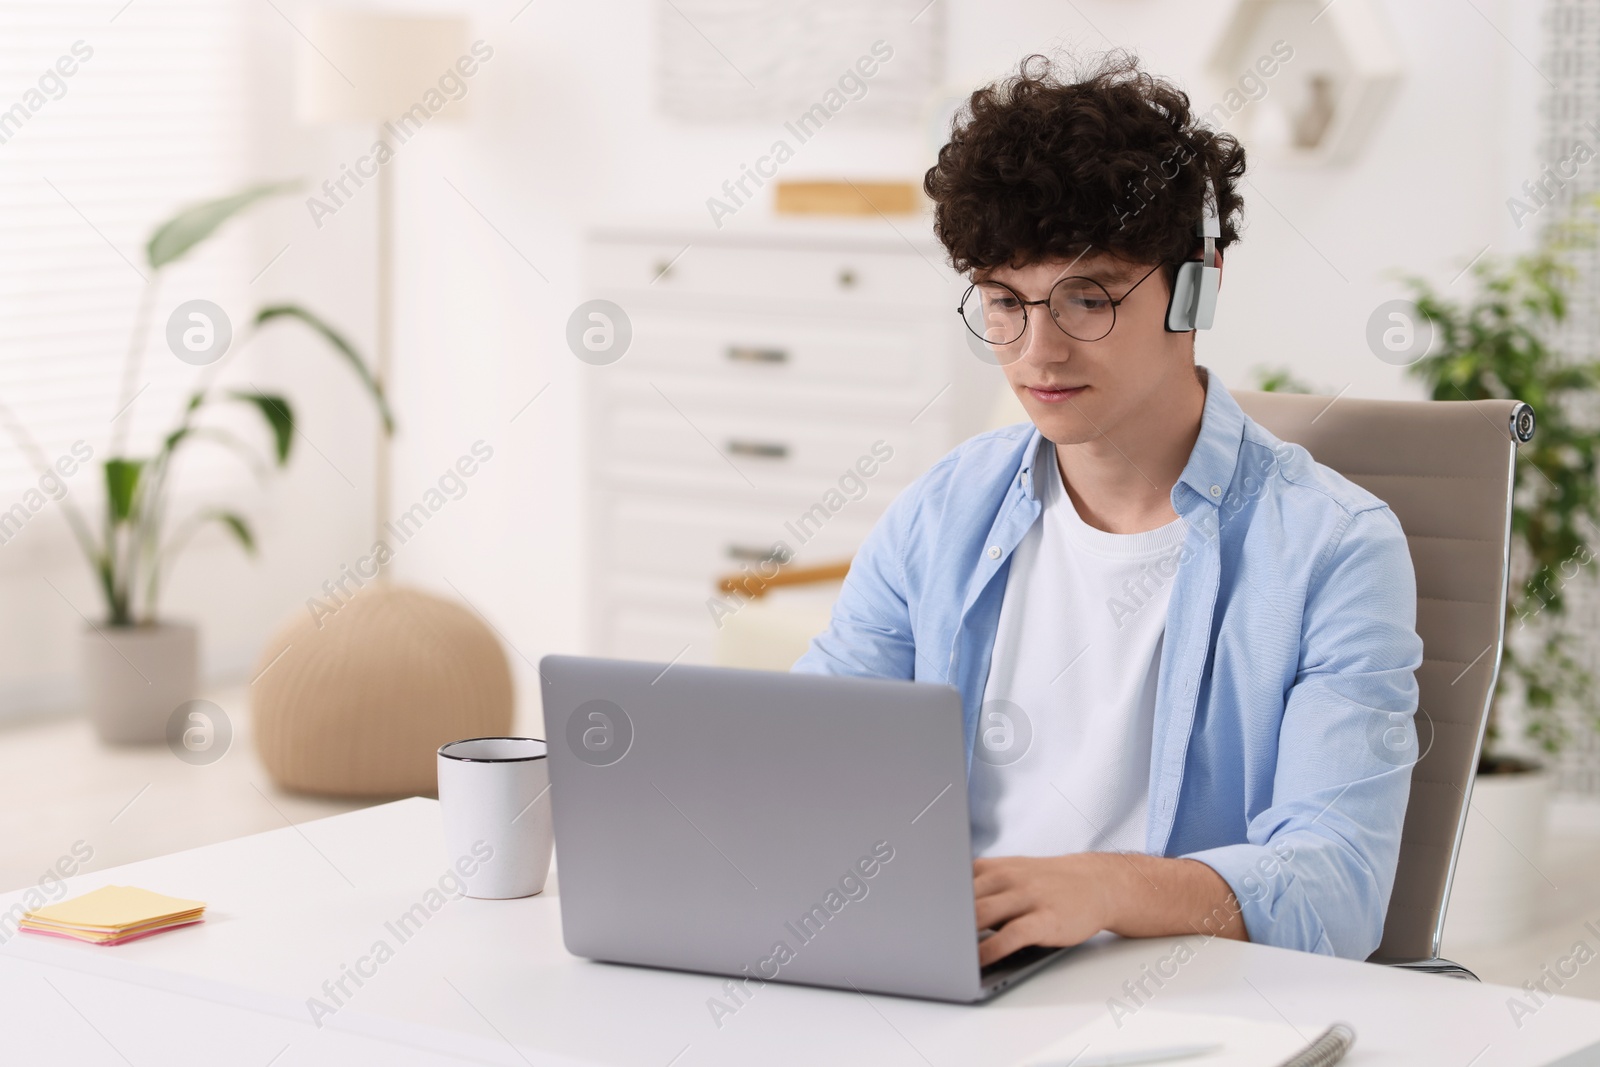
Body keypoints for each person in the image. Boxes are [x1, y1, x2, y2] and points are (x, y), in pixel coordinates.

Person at [792, 52, 1423, 964]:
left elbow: (1339, 891)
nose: (1037, 350)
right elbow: (813, 749)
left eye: (1087, 297)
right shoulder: (946, 511)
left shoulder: (1334, 549)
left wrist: (1102, 887)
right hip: (948, 971)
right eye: (1006, 302)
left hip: (1174, 1006)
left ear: (1195, 289)